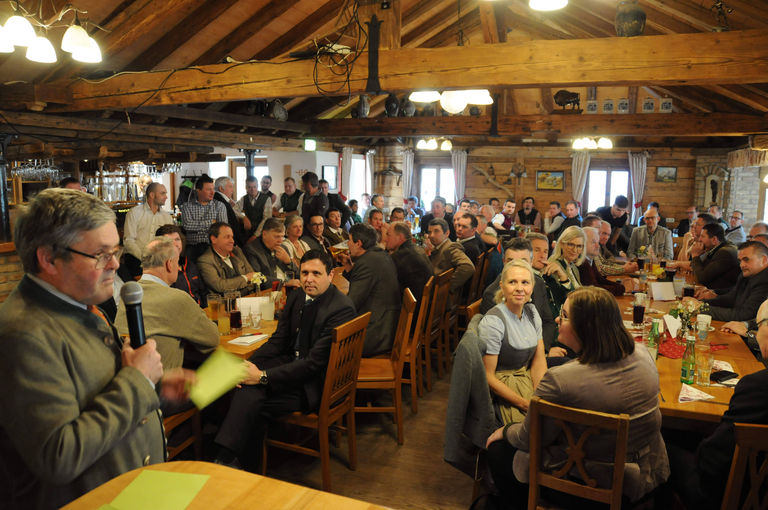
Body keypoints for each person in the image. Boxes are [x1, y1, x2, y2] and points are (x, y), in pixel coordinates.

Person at [0, 189, 193, 509]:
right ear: (48, 258)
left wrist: (155, 390)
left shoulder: (83, 305)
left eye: (115, 251)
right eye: (101, 255)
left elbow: (94, 395)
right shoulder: (23, 334)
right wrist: (138, 381)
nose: (116, 265)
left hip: (130, 494)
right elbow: (58, 455)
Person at [486, 286, 669, 506]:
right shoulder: (643, 354)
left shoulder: (559, 380)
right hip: (646, 471)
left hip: (592, 481)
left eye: (564, 316)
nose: (556, 319)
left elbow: (529, 438)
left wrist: (505, 430)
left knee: (497, 450)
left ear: (586, 327)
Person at [213, 250, 356, 471]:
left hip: (315, 384)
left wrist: (261, 377)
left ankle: (229, 460)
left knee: (249, 394)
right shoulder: (298, 295)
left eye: (316, 273)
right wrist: (249, 367)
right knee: (240, 383)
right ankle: (237, 462)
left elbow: (313, 364)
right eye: (305, 272)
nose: (309, 279)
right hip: (291, 366)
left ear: (331, 274)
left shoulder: (341, 308)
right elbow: (278, 341)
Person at [666, 298, 768, 510]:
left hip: (733, 496)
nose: (756, 335)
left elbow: (712, 461)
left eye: (759, 328)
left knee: (661, 440)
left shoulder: (756, 387)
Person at [115, 237, 218, 370]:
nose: (179, 268)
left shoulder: (128, 297)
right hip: (167, 384)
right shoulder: (176, 298)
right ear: (169, 264)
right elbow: (212, 339)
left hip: (133, 382)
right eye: (177, 262)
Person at [479, 259, 547, 425]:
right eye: (512, 282)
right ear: (502, 286)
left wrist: (540, 396)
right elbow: (488, 376)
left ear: (532, 286)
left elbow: (538, 361)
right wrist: (524, 404)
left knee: (551, 419)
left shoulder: (532, 312)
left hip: (527, 377)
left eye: (525, 282)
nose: (519, 288)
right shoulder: (494, 322)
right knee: (530, 430)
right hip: (503, 389)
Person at [480, 238, 557, 353]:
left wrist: (544, 350)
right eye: (511, 261)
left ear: (531, 263)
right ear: (503, 262)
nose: (516, 267)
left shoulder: (538, 283)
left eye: (523, 262)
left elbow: (548, 321)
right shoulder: (491, 294)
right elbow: (498, 343)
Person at [339, 224, 401, 356]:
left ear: (359, 243)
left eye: (349, 241)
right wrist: (350, 269)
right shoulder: (381, 255)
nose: (347, 245)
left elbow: (351, 304)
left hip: (376, 333)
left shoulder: (366, 263)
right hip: (388, 324)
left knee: (327, 339)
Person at [686, 241, 768, 322]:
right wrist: (700, 304)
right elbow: (730, 299)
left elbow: (744, 316)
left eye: (746, 260)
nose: (742, 265)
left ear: (764, 260)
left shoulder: (764, 282)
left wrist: (700, 308)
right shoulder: (747, 274)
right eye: (740, 261)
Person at [122, 182, 174, 279]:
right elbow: (128, 241)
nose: (166, 197)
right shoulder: (134, 213)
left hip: (158, 260)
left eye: (166, 193)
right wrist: (144, 258)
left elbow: (169, 242)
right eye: (163, 193)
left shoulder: (166, 217)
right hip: (136, 259)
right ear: (152, 195)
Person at [197, 222, 258, 295]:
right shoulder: (205, 260)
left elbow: (254, 276)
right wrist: (245, 278)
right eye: (227, 237)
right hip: (225, 303)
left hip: (248, 298)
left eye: (232, 237)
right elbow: (220, 286)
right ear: (213, 239)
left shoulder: (237, 251)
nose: (232, 241)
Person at [155, 224, 207, 308]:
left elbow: (204, 293)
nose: (176, 244)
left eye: (177, 239)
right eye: (170, 241)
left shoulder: (190, 265)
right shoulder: (160, 272)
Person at [181, 174, 228, 261]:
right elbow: (187, 226)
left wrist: (196, 226)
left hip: (212, 246)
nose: (212, 192)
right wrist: (211, 223)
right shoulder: (187, 206)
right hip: (193, 246)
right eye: (208, 189)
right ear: (198, 190)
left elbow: (222, 228)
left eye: (213, 189)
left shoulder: (219, 206)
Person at [244, 218, 300, 291]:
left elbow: (298, 276)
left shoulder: (283, 247)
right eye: (277, 236)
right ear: (264, 234)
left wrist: (289, 262)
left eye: (282, 236)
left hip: (288, 291)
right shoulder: (251, 250)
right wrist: (284, 283)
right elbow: (256, 278)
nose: (280, 241)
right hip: (267, 293)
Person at [386, 221, 433, 304]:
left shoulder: (399, 256)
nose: (386, 239)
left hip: (413, 311)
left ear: (399, 237)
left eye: (388, 235)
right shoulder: (418, 249)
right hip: (426, 305)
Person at [427, 218, 474, 300]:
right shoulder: (439, 247)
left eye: (436, 231)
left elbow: (468, 267)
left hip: (441, 299)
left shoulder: (450, 247)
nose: (431, 235)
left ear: (447, 233)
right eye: (429, 232)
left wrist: (447, 286)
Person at [579, 226, 630, 296]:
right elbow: (595, 290)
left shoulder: (590, 259)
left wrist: (620, 286)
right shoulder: (582, 263)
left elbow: (600, 280)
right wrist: (622, 288)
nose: (598, 246)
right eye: (593, 242)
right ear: (582, 244)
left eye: (598, 242)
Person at [690, 223, 740, 291]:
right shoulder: (719, 247)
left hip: (719, 295)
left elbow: (702, 278)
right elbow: (702, 267)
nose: (699, 239)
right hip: (710, 290)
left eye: (703, 236)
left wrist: (695, 256)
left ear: (714, 239)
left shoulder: (725, 252)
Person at [214, 176, 251, 247]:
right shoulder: (221, 202)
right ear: (221, 188)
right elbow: (224, 226)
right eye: (230, 187)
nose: (232, 190)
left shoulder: (223, 200)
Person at [237, 175, 272, 239]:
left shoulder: (267, 199)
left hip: (261, 234)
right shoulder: (243, 199)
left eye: (254, 187)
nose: (252, 190)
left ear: (258, 186)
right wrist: (243, 217)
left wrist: (255, 235)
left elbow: (266, 219)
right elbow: (234, 210)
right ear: (246, 187)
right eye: (249, 187)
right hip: (246, 234)